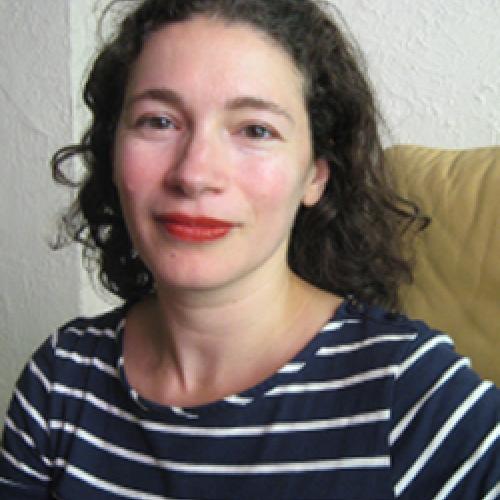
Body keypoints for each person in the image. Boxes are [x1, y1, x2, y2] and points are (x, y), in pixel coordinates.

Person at [1, 0, 498, 498]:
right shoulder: (61, 379)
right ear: (112, 151)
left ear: (315, 175)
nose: (194, 173)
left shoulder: (411, 393)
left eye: (256, 130)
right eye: (158, 121)